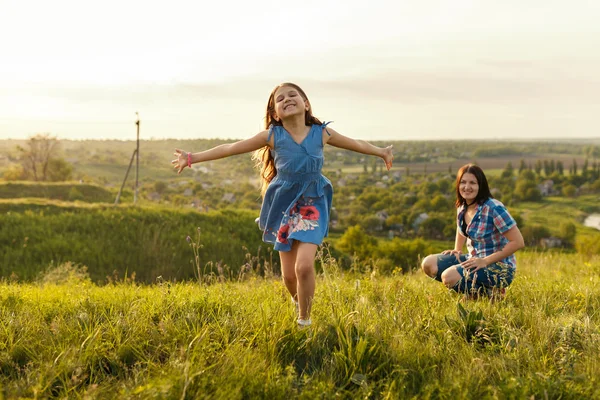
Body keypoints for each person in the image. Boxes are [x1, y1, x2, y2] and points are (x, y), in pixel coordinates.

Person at [172, 82, 394, 326]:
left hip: (312, 203)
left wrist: (381, 151)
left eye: (293, 95)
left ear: (306, 104)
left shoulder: (321, 133)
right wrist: (192, 158)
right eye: (280, 98)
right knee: (289, 277)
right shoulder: (272, 136)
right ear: (275, 113)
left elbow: (357, 144)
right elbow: (230, 148)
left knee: (304, 267)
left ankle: (304, 322)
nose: (287, 99)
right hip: (283, 205)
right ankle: (299, 302)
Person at [421, 164, 524, 300]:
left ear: (481, 186)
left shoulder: (494, 208)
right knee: (428, 264)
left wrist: (485, 261)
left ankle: (491, 294)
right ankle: (480, 292)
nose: (467, 187)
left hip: (500, 267)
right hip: (473, 259)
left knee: (449, 276)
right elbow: (461, 228)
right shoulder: (463, 206)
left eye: (472, 183)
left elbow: (518, 242)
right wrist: (457, 249)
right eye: (463, 182)